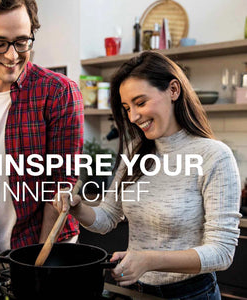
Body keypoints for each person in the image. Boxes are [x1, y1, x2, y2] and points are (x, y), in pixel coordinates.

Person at [55, 51, 241, 299]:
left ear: (173, 90)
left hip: (191, 294)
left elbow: (222, 252)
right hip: (138, 291)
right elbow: (108, 217)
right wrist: (76, 209)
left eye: (140, 103)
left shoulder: (214, 156)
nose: (133, 117)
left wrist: (149, 260)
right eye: (126, 108)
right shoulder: (135, 152)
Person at [0, 0, 83, 260]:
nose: (12, 56)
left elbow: (61, 184)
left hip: (50, 248)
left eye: (22, 42)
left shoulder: (58, 92)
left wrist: (39, 261)